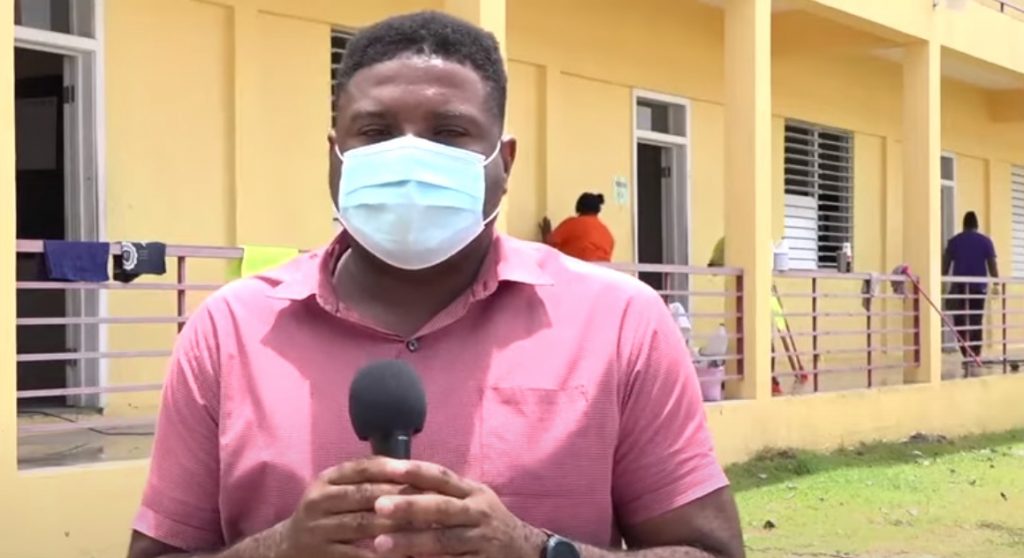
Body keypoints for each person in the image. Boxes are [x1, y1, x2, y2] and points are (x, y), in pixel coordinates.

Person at [128, 11, 743, 558]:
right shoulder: (229, 328)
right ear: (334, 156)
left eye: (448, 132)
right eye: (375, 131)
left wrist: (535, 550)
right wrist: (281, 550)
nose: (409, 157)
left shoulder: (620, 322)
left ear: (503, 163)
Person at [943, 211, 999, 367]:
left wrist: (941, 282)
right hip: (978, 288)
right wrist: (996, 284)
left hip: (959, 288)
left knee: (960, 321)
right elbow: (992, 266)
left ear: (964, 225)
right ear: (977, 225)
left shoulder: (954, 241)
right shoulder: (986, 241)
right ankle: (975, 354)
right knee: (975, 321)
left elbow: (944, 266)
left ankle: (965, 352)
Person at [539, 192, 615, 262]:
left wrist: (546, 234)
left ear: (578, 207)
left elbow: (549, 244)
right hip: (602, 273)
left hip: (577, 271)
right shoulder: (607, 233)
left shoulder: (571, 224)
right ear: (598, 210)